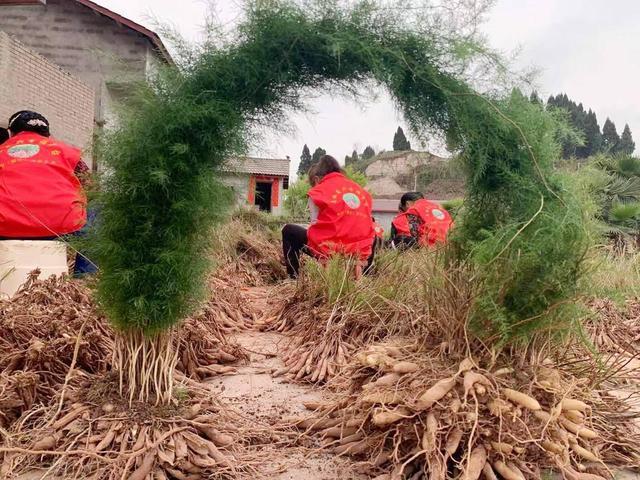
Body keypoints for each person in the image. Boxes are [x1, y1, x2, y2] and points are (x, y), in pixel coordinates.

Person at [282, 155, 375, 278]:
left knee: (289, 231)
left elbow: (315, 225)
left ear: (316, 179)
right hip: (360, 251)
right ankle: (364, 275)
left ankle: (293, 278)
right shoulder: (362, 192)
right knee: (372, 234)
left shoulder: (318, 191)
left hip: (331, 250)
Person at [0, 110, 87, 239]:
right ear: (47, 134)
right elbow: (91, 185)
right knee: (97, 208)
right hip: (60, 226)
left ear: (11, 132)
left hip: (5, 226)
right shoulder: (67, 151)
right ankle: (86, 260)